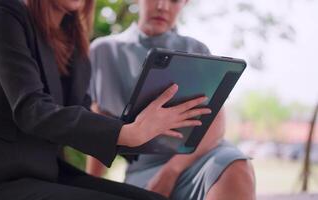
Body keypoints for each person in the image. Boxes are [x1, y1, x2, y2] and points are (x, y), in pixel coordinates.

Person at [0, 0, 213, 199]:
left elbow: (80, 112)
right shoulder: (2, 15)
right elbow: (32, 110)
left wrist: (147, 126)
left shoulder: (73, 37)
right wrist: (127, 133)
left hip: (45, 173)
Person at [87, 0, 256, 200]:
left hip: (199, 157)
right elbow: (98, 129)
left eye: (174, 0)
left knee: (236, 165)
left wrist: (171, 171)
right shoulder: (104, 51)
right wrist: (90, 186)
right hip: (143, 170)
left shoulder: (196, 48)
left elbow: (216, 123)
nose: (163, 6)